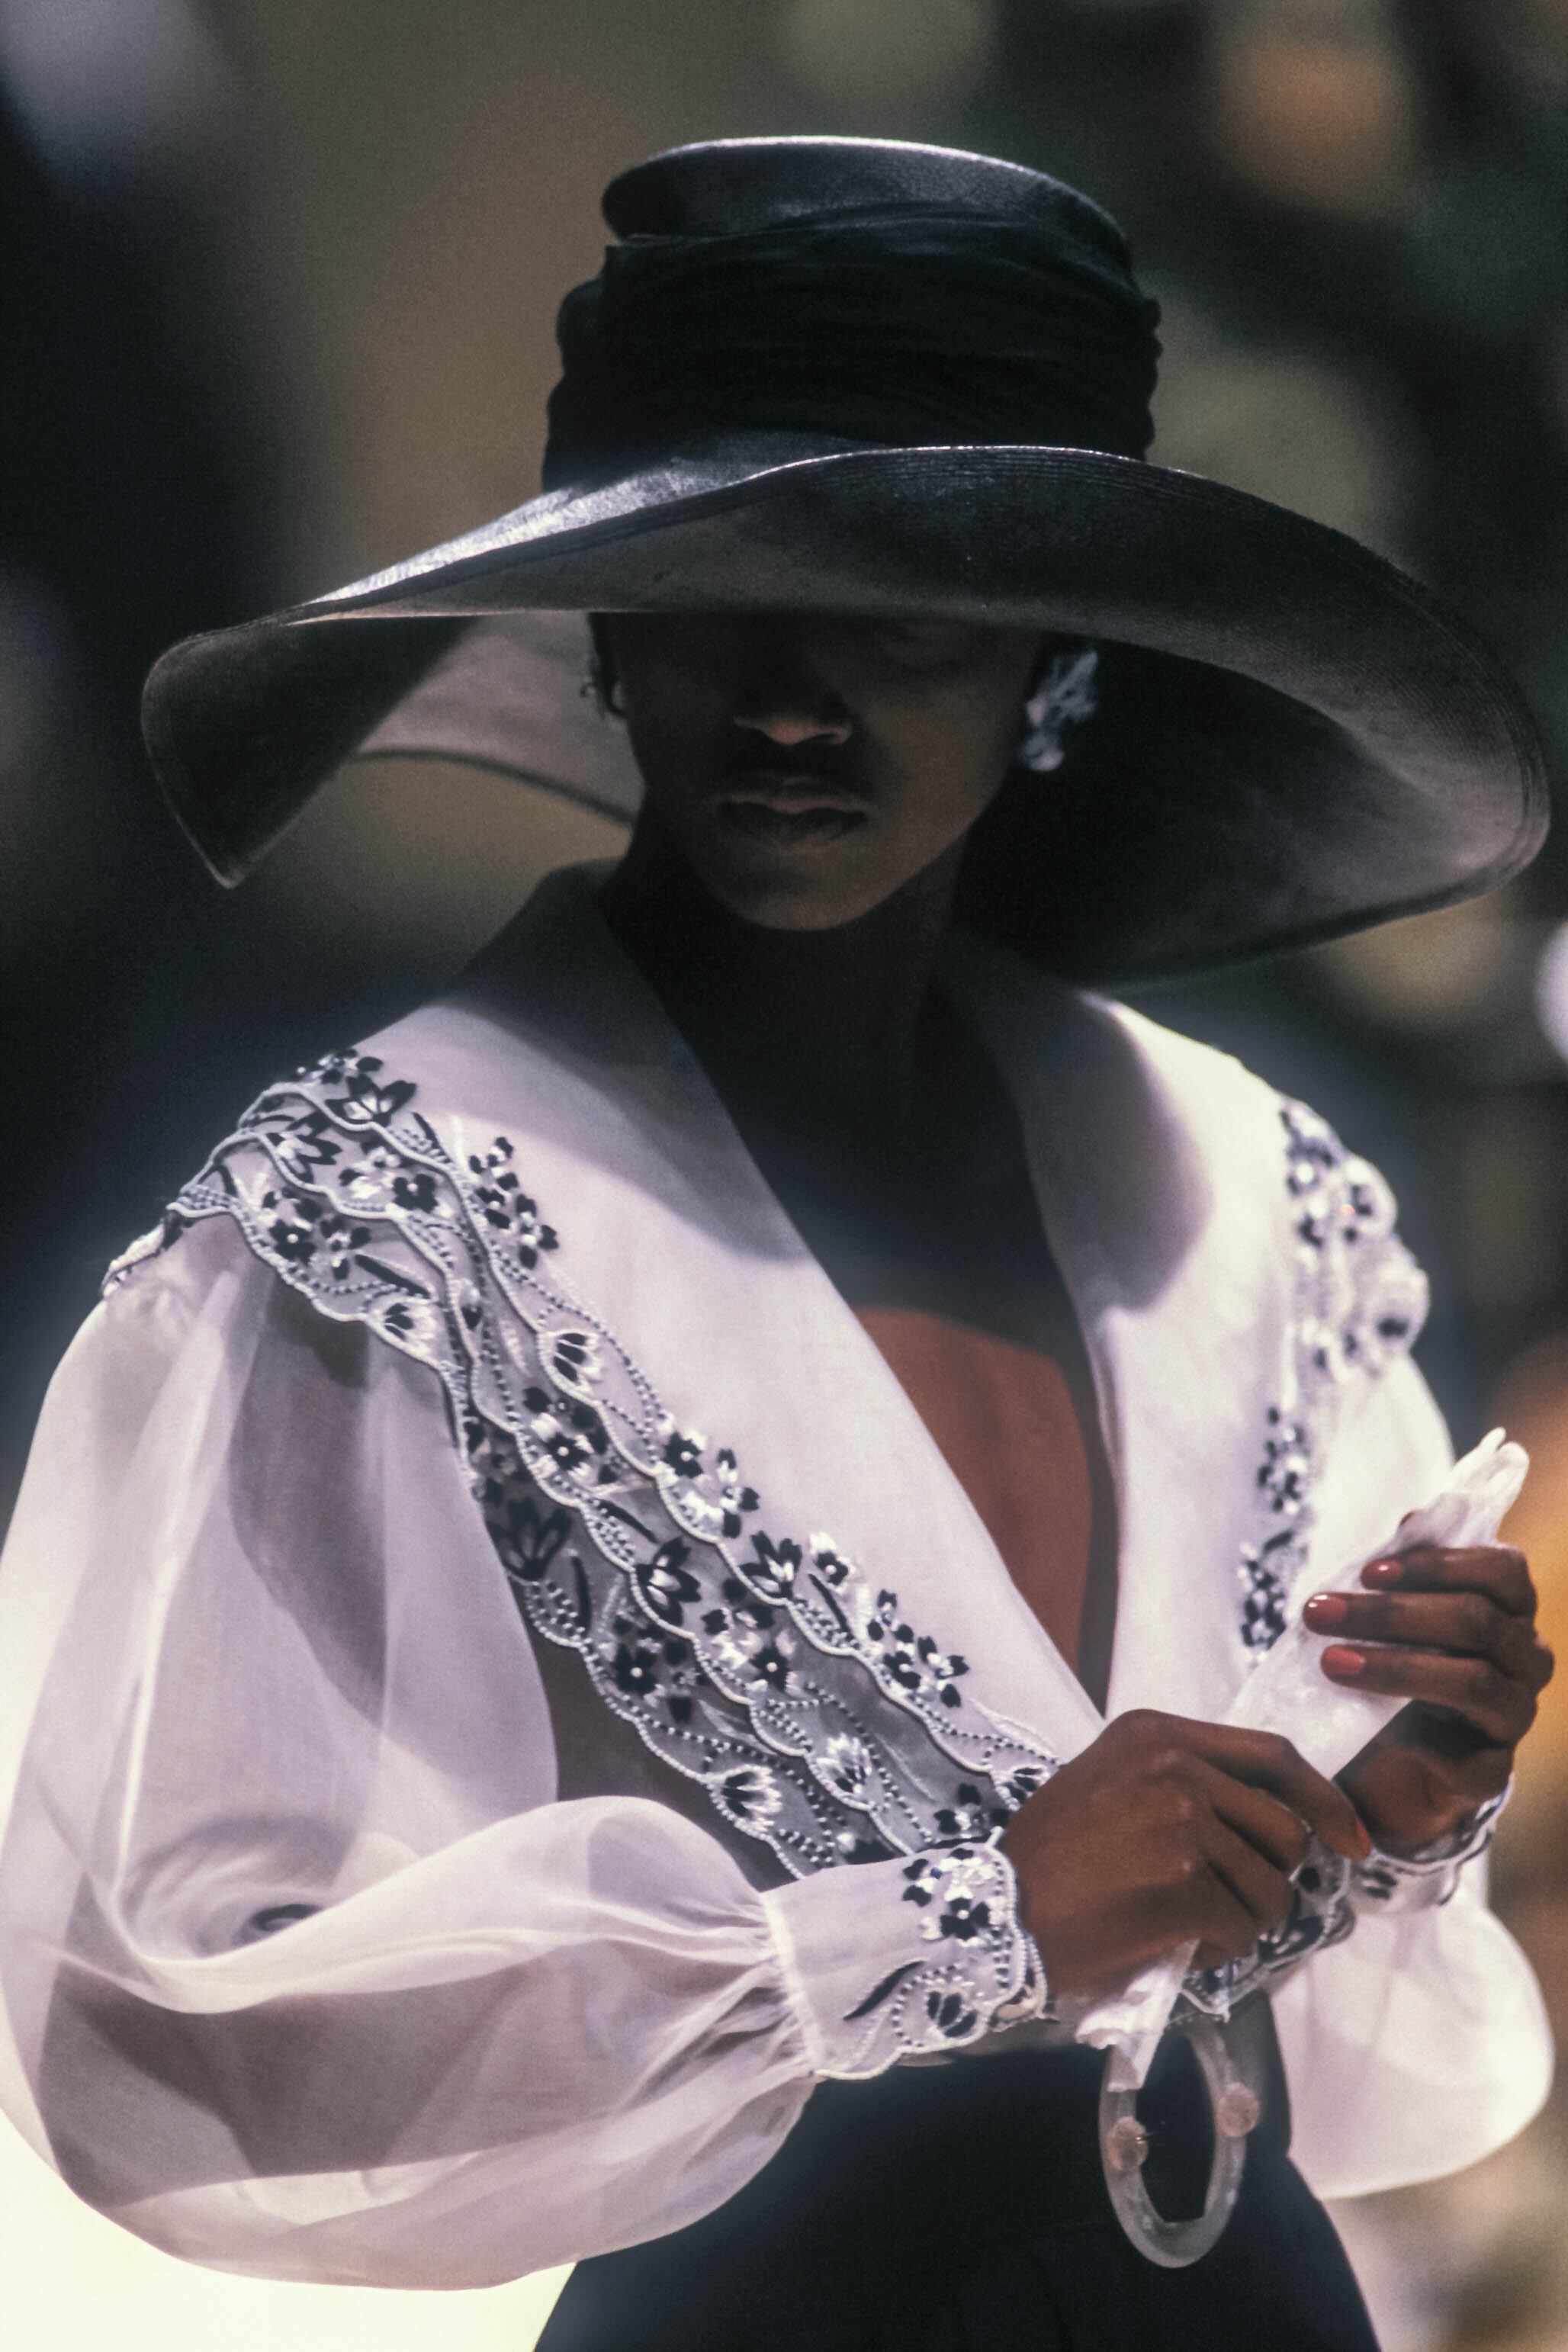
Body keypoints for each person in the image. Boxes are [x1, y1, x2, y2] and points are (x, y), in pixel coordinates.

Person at [0, 135, 1555, 2350]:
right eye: (718, 601)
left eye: (901, 610)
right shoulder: (394, 1226)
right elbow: (156, 2016)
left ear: (1053, 660)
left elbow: (1328, 2048)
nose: (796, 701)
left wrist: (1378, 1805)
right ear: (608, 635)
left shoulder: (1242, 1196)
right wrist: (947, 1928)